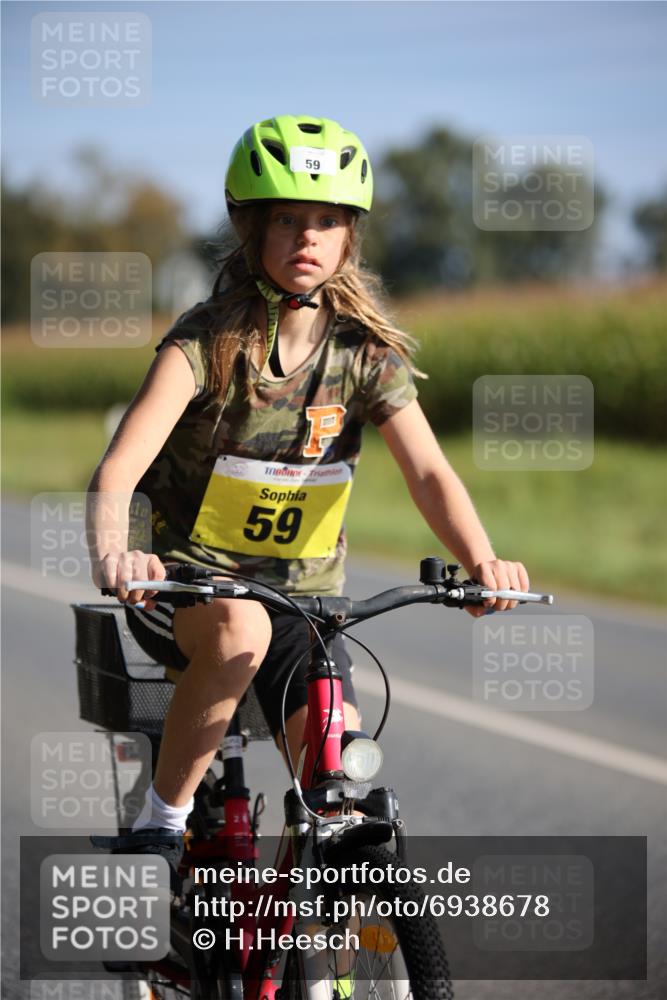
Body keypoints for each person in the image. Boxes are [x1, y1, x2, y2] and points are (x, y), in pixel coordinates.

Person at [87, 114, 529, 874]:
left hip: (306, 605)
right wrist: (115, 555)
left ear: (348, 236)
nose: (307, 237)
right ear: (250, 227)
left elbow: (428, 473)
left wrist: (484, 561)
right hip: (192, 589)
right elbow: (119, 466)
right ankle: (163, 818)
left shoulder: (364, 354)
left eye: (327, 221)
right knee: (241, 633)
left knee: (338, 786)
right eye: (287, 219)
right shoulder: (206, 342)